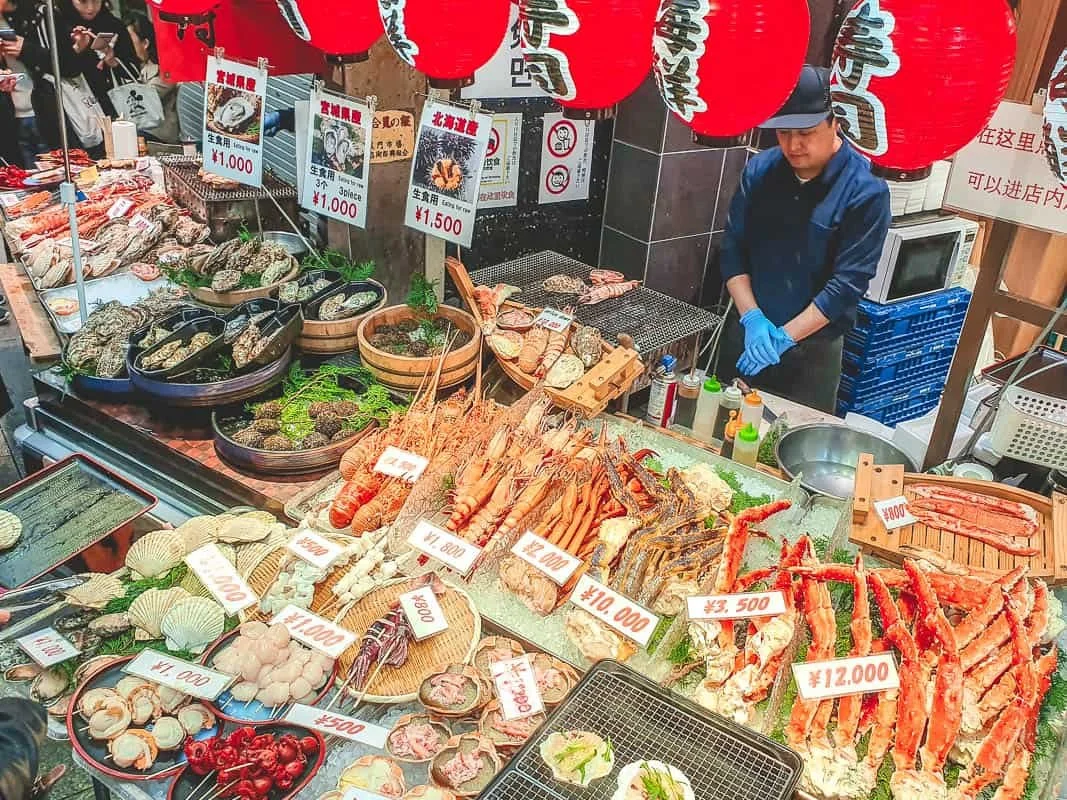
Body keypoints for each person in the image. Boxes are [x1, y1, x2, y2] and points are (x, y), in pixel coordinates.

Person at [717, 65, 892, 413]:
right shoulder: (760, 170)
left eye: (806, 133)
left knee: (788, 456)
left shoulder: (865, 191)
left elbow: (846, 285)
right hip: (747, 336)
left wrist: (784, 338)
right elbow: (733, 248)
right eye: (782, 133)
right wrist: (752, 319)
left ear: (836, 121)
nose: (792, 145)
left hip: (811, 356)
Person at [1, 0, 50, 166]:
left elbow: (65, 64)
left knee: (51, 170)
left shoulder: (35, 14)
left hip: (41, 108)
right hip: (12, 115)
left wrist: (26, 49)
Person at [124, 12, 178, 143]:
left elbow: (146, 99)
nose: (124, 45)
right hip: (138, 132)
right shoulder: (126, 67)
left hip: (158, 136)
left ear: (145, 43)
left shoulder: (164, 70)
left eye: (128, 40)